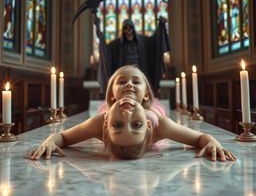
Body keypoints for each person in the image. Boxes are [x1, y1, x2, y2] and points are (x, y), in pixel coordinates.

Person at [25, 65, 236, 162]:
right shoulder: (160, 124)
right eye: (137, 125)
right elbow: (200, 138)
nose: (126, 116)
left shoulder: (99, 122)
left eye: (117, 125)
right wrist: (213, 143)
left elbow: (62, 137)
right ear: (149, 126)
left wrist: (49, 143)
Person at [95, 15, 170, 94]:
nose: (128, 30)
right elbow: (105, 51)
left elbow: (155, 42)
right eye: (125, 28)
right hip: (124, 72)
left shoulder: (143, 41)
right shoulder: (117, 44)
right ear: (123, 30)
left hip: (140, 71)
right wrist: (98, 27)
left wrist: (161, 25)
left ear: (133, 28)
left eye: (130, 27)